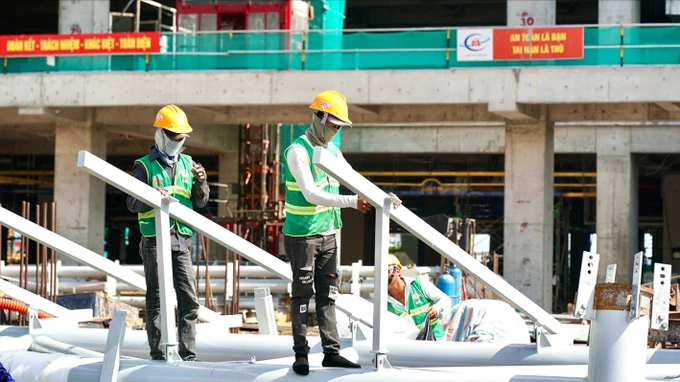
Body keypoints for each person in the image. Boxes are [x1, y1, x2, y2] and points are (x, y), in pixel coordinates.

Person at [283, 90, 370, 375]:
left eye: (339, 126)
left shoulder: (332, 152)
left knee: (328, 295)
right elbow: (310, 193)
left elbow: (352, 177)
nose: (335, 130)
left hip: (330, 234)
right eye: (332, 124)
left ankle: (331, 352)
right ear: (318, 118)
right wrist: (351, 202)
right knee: (301, 295)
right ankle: (301, 354)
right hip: (303, 236)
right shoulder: (298, 151)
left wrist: (379, 195)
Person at [126, 104, 209, 361]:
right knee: (156, 299)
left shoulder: (188, 164)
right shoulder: (144, 166)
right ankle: (159, 353)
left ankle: (188, 354)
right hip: (154, 241)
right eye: (173, 136)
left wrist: (202, 183)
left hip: (181, 240)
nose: (177, 142)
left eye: (181, 137)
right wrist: (152, 197)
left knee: (188, 299)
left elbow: (201, 202)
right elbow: (132, 204)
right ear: (161, 134)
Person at [386, 254, 452, 341]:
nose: (382, 276)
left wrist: (436, 309)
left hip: (436, 340)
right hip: (410, 347)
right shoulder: (383, 301)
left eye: (387, 271)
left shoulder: (418, 283)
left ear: (397, 270)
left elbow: (446, 300)